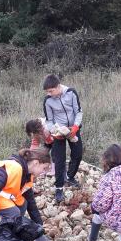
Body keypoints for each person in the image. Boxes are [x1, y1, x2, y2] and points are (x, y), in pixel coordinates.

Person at [42, 74, 83, 202]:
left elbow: (79, 112)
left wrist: (75, 127)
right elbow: (49, 121)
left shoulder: (71, 93)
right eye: (47, 92)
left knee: (77, 154)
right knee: (59, 160)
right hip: (58, 133)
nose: (49, 93)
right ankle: (59, 188)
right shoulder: (48, 101)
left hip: (73, 129)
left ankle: (70, 177)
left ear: (58, 86)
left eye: (51, 91)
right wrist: (54, 130)